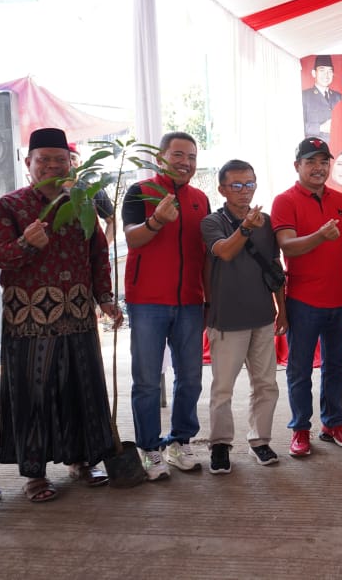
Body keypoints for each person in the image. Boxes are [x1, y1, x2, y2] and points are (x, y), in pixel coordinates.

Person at [0, 128, 122, 502]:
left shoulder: (82, 204)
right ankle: (35, 475)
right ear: (28, 163)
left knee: (82, 390)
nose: (51, 166)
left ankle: (82, 460)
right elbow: (0, 258)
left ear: (71, 165)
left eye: (59, 160)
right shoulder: (8, 207)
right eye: (42, 159)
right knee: (34, 395)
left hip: (78, 315)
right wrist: (27, 244)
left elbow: (98, 257)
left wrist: (106, 298)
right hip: (29, 322)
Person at [122, 131, 209, 480]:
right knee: (146, 380)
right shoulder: (139, 192)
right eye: (178, 155)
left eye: (191, 157)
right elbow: (131, 237)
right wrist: (157, 220)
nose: (185, 163)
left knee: (190, 377)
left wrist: (209, 298)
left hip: (190, 300)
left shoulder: (201, 199)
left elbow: (206, 253)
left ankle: (180, 442)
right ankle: (149, 449)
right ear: (160, 158)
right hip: (147, 302)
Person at [272, 137, 342, 457]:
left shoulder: (340, 199)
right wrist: (320, 236)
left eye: (324, 162)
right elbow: (287, 246)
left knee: (337, 366)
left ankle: (333, 423)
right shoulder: (285, 201)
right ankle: (300, 429)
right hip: (303, 300)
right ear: (297, 166)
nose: (318, 168)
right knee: (299, 370)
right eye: (311, 162)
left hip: (339, 299)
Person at [201, 160, 287, 473]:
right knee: (222, 388)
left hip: (263, 317)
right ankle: (220, 445)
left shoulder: (265, 221)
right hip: (226, 320)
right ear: (222, 189)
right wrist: (247, 227)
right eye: (236, 185)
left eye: (249, 184)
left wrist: (282, 310)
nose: (243, 191)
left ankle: (260, 440)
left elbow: (275, 269)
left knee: (266, 384)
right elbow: (224, 251)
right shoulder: (212, 222)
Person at [68, 142, 115, 244]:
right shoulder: (51, 191)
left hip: (89, 254)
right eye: (65, 159)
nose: (70, 162)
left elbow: (113, 221)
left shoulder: (93, 190)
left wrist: (104, 247)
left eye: (73, 158)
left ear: (81, 162)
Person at [302, 54, 342, 138]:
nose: (326, 75)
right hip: (315, 148)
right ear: (314, 73)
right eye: (322, 70)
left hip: (338, 148)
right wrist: (320, 128)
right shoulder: (304, 96)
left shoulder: (338, 97)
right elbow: (294, 126)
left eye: (330, 71)